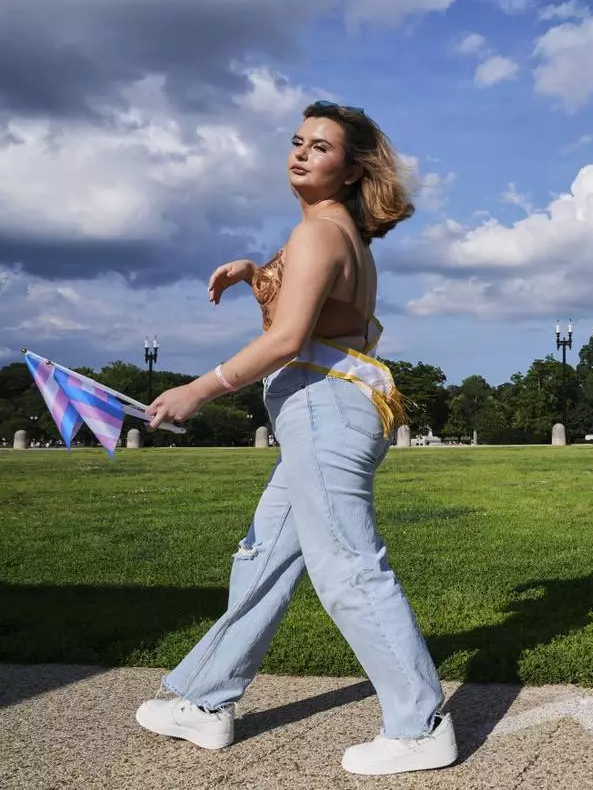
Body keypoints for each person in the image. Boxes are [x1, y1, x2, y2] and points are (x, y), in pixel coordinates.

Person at [134, 101, 455, 776]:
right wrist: (256, 271)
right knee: (265, 558)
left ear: (350, 169)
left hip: (324, 409)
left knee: (347, 565)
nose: (301, 153)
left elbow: (286, 339)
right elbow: (316, 315)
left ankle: (419, 723)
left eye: (321, 146)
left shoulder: (320, 233)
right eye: (297, 141)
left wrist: (199, 388)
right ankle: (204, 701)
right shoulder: (338, 235)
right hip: (324, 408)